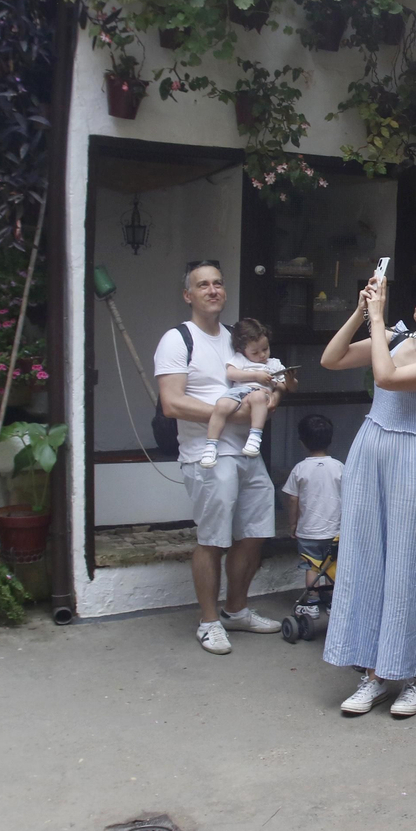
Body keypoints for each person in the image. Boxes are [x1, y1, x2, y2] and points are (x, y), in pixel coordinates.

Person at [319, 276, 416, 719]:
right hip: (371, 446)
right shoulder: (396, 336)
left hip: (414, 451)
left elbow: (386, 377)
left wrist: (380, 318)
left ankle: (410, 677)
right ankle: (371, 675)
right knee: (364, 556)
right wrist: (362, 311)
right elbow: (331, 359)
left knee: (408, 563)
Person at [153, 261, 283, 656]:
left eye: (218, 284)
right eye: (203, 285)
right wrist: (229, 413)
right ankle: (209, 622)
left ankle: (236, 610)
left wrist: (273, 396)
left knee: (256, 530)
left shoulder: (235, 338)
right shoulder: (178, 340)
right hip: (207, 454)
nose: (213, 290)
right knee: (212, 539)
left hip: (246, 450)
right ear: (188, 295)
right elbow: (172, 403)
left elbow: (264, 375)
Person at [200, 317, 294, 468]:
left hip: (259, 392)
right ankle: (211, 445)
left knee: (258, 397)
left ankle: (255, 437)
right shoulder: (241, 359)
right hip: (238, 391)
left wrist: (287, 382)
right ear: (242, 350)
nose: (262, 355)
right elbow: (231, 373)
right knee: (221, 405)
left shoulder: (274, 364)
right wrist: (255, 376)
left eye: (265, 349)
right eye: (255, 352)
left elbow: (285, 385)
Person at [283, 413, 342, 626]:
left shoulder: (300, 469)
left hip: (308, 531)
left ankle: (312, 602)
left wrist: (293, 523)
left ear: (302, 442)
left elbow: (292, 499)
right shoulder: (339, 467)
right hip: (335, 530)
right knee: (333, 565)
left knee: (312, 566)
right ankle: (335, 602)